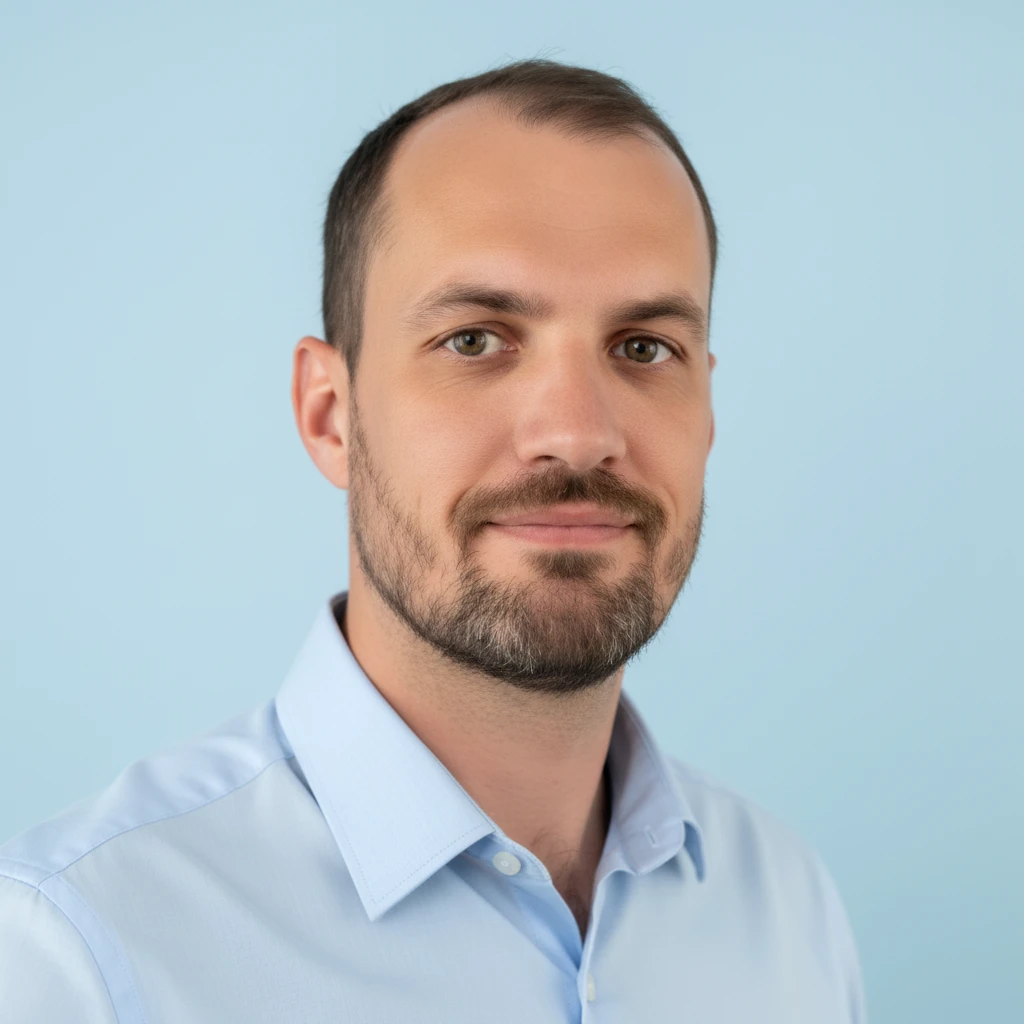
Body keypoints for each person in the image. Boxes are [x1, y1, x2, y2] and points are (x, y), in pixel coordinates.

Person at [0, 58, 867, 1022]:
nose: (578, 432)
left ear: (707, 414)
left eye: (643, 348)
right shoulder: (80, 953)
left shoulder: (787, 911)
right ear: (330, 416)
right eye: (476, 339)